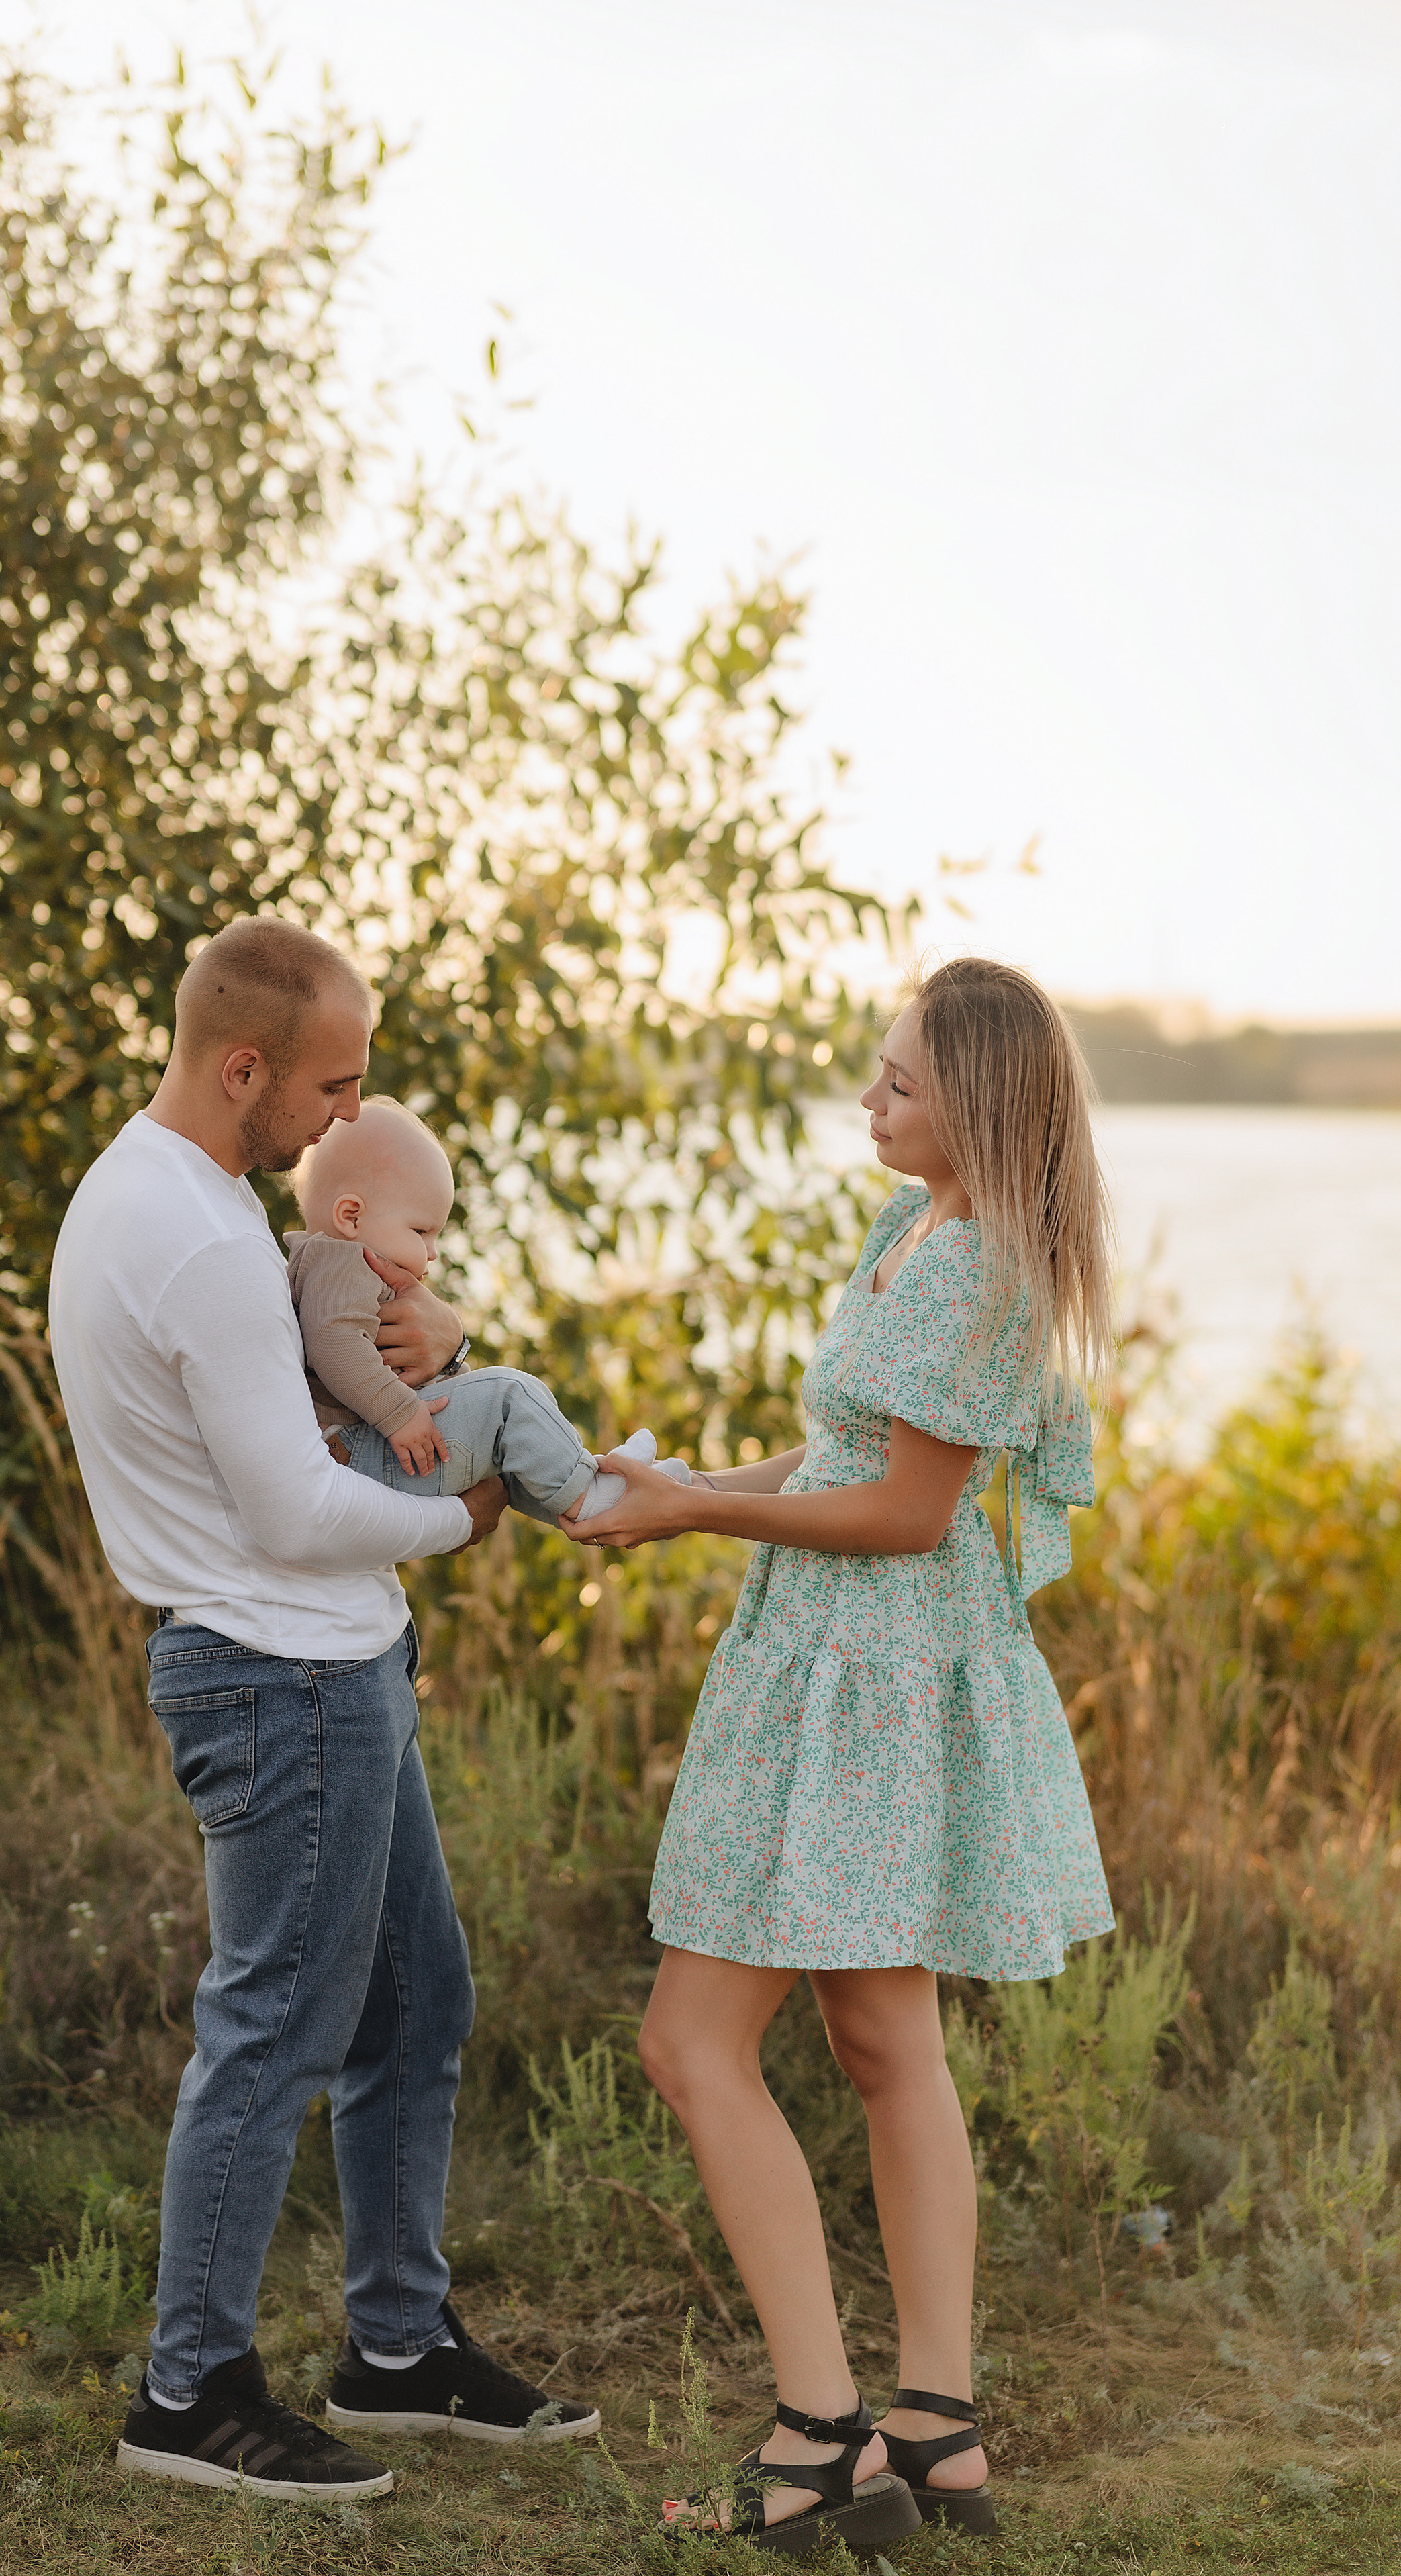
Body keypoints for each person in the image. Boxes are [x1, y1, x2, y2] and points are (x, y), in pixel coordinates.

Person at [48, 916, 602, 2506]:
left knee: (417, 2002)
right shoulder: (203, 1240)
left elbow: (313, 1382)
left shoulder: (168, 1197)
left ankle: (395, 2347)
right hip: (279, 1673)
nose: (344, 1120)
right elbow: (297, 1510)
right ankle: (190, 2386)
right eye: (332, 1086)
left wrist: (432, 1348)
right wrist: (467, 1516)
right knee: (274, 2025)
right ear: (243, 1068)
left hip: (324, 1663)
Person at [570, 957, 1117, 2555]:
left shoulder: (971, 1270)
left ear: (978, 1103)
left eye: (895, 1083)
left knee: (692, 2042)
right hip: (842, 1669)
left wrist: (696, 1511)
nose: (865, 1100)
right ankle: (931, 2425)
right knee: (884, 2047)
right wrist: (665, 1487)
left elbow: (903, 1515)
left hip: (865, 1687)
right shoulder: (915, 1232)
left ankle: (822, 2433)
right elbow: (838, 1459)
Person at [285, 1095, 690, 1523]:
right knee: (509, 1397)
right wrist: (400, 1413)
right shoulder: (338, 1262)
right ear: (351, 1217)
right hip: (359, 1448)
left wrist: (453, 1379)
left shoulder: (359, 1270)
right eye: (421, 1231)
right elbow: (335, 1345)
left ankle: (605, 1493)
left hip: (383, 1442)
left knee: (515, 1442)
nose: (433, 1252)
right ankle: (594, 1492)